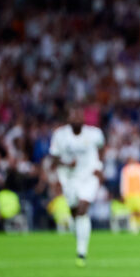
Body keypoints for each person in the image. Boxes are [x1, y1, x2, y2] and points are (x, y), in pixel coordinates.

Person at [49, 108, 105, 266]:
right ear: (68, 119)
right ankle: (79, 234)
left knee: (82, 209)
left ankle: (81, 253)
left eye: (80, 116)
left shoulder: (94, 134)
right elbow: (54, 157)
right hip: (69, 178)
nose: (77, 119)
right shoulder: (60, 135)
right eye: (74, 117)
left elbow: (101, 148)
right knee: (75, 213)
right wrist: (66, 164)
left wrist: (99, 166)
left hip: (88, 177)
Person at [120, 156, 140, 234]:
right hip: (131, 194)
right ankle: (135, 228)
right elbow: (123, 183)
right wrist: (123, 193)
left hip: (138, 194)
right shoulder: (126, 170)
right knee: (132, 213)